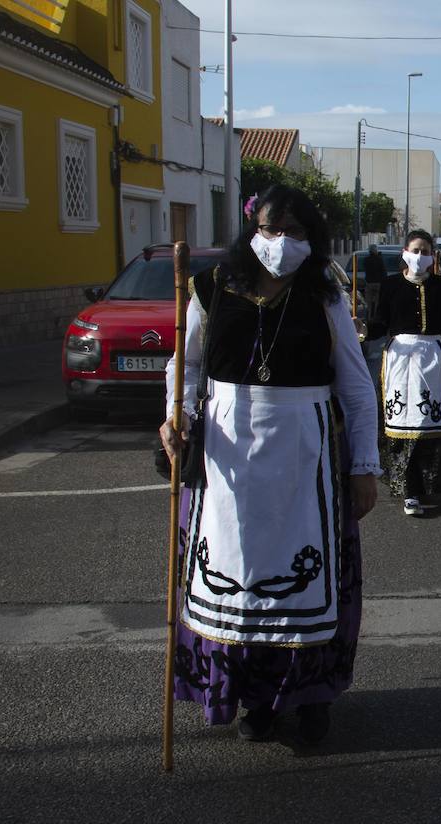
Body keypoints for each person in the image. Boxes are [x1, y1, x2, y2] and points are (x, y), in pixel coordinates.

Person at [159, 183, 380, 745]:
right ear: (251, 230)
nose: (283, 242)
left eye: (298, 233)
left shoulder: (324, 296)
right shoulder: (210, 289)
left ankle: (310, 701)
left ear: (314, 240)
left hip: (305, 456)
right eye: (271, 230)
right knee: (238, 580)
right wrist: (176, 417)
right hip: (225, 458)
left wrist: (363, 466)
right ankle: (252, 700)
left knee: (306, 583)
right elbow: (183, 370)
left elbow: (355, 386)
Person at [369, 229, 441, 517]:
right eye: (415, 250)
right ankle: (408, 489)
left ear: (432, 256)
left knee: (430, 422)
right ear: (404, 252)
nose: (420, 256)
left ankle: (431, 481)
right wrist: (362, 331)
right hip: (399, 363)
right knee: (401, 424)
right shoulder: (390, 286)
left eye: (426, 251)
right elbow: (379, 324)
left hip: (434, 361)